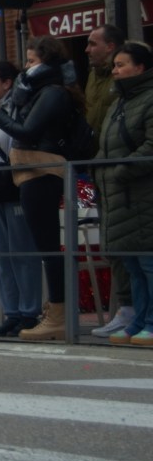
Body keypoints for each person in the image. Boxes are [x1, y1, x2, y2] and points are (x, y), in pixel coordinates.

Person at [0, 36, 83, 341]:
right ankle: (46, 312)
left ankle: (55, 313)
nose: (27, 67)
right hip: (28, 173)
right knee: (40, 247)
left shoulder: (52, 92)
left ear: (47, 62)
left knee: (45, 248)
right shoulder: (38, 92)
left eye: (31, 61)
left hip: (42, 170)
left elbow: (27, 131)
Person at [0, 60, 44, 337]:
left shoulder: (18, 106)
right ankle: (11, 312)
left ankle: (29, 313)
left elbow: (18, 138)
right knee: (2, 255)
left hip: (13, 186)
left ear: (7, 83)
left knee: (22, 253)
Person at [95, 42, 153, 346]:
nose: (115, 70)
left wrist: (119, 170)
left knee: (147, 262)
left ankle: (151, 323)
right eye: (114, 65)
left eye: (122, 64)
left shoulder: (148, 98)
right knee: (132, 264)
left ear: (140, 67)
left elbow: (150, 146)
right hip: (120, 195)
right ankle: (139, 321)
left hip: (141, 194)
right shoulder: (120, 100)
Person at [85, 24, 135, 337]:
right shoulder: (94, 77)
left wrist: (119, 167)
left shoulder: (126, 88)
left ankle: (138, 311)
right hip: (101, 170)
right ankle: (126, 309)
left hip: (124, 174)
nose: (87, 49)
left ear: (111, 45)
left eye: (93, 43)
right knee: (113, 242)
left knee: (134, 244)